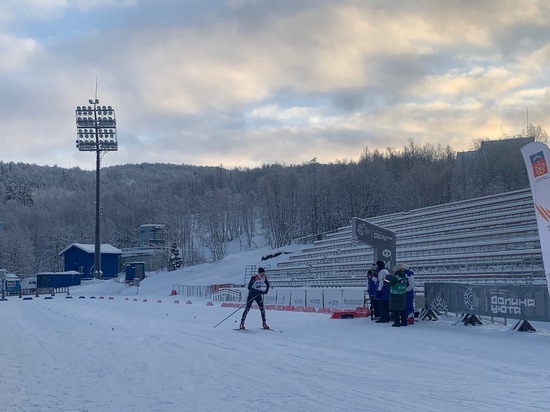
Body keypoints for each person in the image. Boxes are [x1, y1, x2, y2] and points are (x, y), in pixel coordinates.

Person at [389, 263, 408, 327]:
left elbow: (390, 284)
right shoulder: (405, 277)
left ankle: (397, 322)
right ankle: (404, 322)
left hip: (395, 295)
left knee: (396, 310)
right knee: (402, 310)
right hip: (402, 295)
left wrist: (385, 281)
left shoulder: (395, 277)